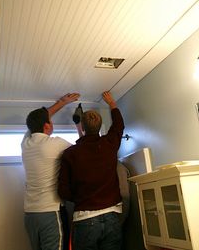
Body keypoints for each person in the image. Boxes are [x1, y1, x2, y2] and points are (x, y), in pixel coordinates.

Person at [58, 91, 125, 250]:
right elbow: (119, 126)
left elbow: (63, 191)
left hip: (85, 219)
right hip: (112, 217)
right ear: (101, 126)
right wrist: (112, 104)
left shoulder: (70, 154)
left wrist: (81, 197)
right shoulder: (109, 144)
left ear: (82, 127)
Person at [21, 92, 80, 250]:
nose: (52, 124)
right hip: (50, 213)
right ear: (47, 126)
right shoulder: (55, 144)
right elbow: (82, 151)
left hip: (30, 215)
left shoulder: (26, 143)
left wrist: (62, 102)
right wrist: (79, 127)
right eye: (51, 122)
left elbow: (38, 120)